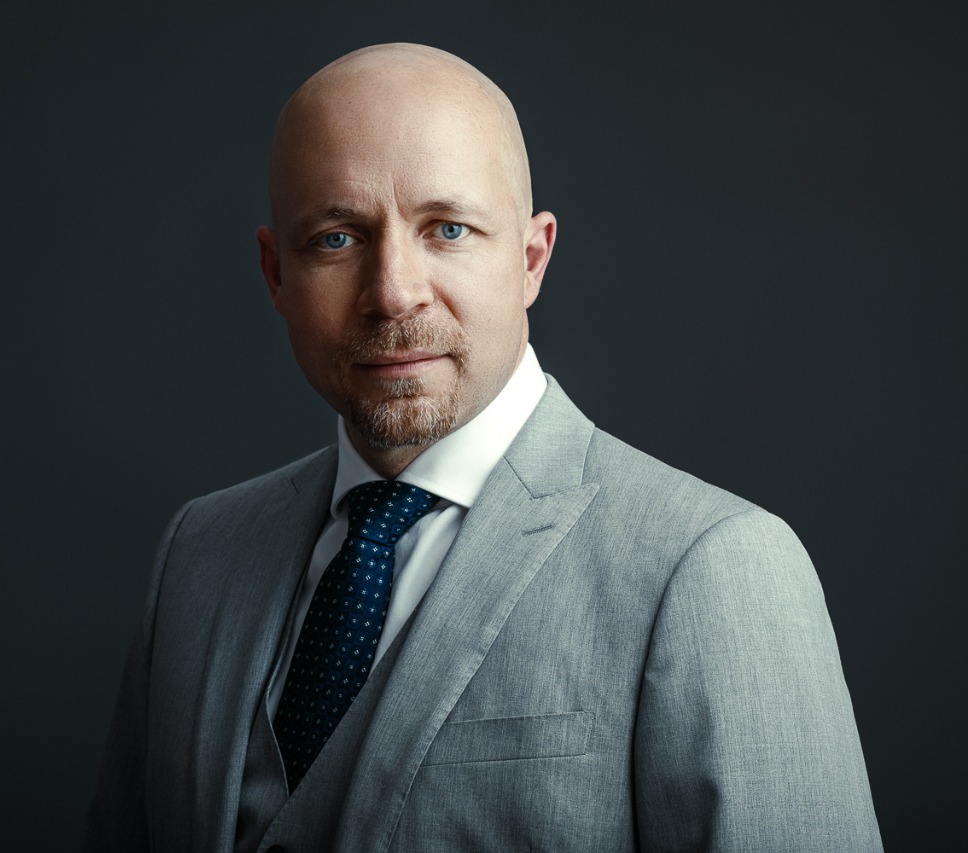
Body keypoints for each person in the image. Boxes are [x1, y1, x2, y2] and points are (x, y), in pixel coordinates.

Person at [82, 43, 881, 852]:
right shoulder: (199, 554)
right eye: (337, 238)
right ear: (275, 274)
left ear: (531, 260)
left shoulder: (712, 566)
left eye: (449, 229)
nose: (394, 291)